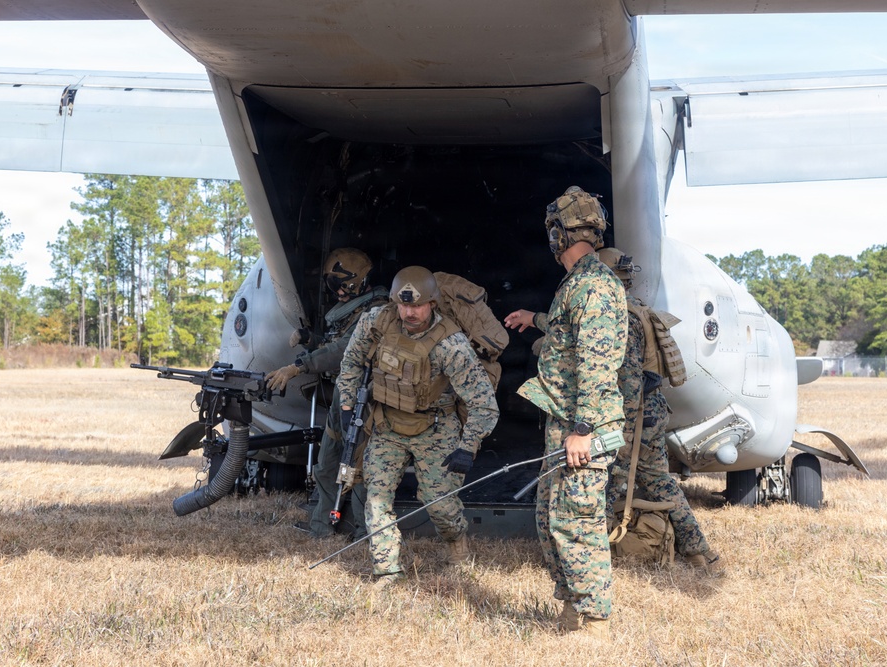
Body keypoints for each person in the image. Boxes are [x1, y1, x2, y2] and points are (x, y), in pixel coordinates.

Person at [504, 186, 627, 640]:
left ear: (559, 234)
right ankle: (573, 608)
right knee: (551, 518)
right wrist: (534, 318)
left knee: (577, 522)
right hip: (566, 423)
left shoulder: (593, 286)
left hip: (583, 426)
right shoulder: (578, 284)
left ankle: (595, 622)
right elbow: (570, 333)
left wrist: (583, 429)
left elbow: (596, 364)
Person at [337, 266, 499, 588]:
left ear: (433, 303)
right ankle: (387, 571)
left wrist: (467, 446)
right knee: (376, 499)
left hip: (435, 428)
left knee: (440, 504)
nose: (410, 313)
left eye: (418, 306)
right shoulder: (376, 322)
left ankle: (456, 542)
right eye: (403, 305)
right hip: (387, 425)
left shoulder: (451, 344)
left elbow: (483, 402)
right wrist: (346, 403)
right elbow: (351, 361)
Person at [597, 247, 724, 576]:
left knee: (606, 480)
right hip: (651, 410)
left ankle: (593, 558)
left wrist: (620, 431)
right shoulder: (639, 309)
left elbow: (628, 382)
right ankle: (698, 552)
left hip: (633, 414)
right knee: (659, 481)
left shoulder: (620, 319)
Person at [265, 248, 389, 540]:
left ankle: (363, 531)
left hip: (364, 398)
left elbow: (344, 350)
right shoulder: (354, 310)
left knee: (357, 466)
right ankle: (321, 525)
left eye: (341, 285)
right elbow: (335, 344)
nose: (337, 292)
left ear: (358, 282)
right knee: (328, 461)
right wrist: (312, 340)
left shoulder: (377, 312)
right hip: (343, 395)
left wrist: (299, 367)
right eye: (332, 286)